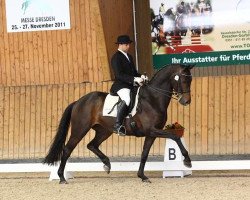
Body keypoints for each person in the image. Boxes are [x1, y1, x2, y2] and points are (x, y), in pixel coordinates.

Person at [110, 35, 148, 136]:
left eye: (128, 44)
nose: (128, 46)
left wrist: (142, 76)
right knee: (127, 99)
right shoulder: (116, 58)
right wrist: (134, 79)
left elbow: (134, 72)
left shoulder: (129, 57)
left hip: (130, 85)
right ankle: (117, 125)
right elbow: (119, 75)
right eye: (126, 44)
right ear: (121, 45)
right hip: (120, 85)